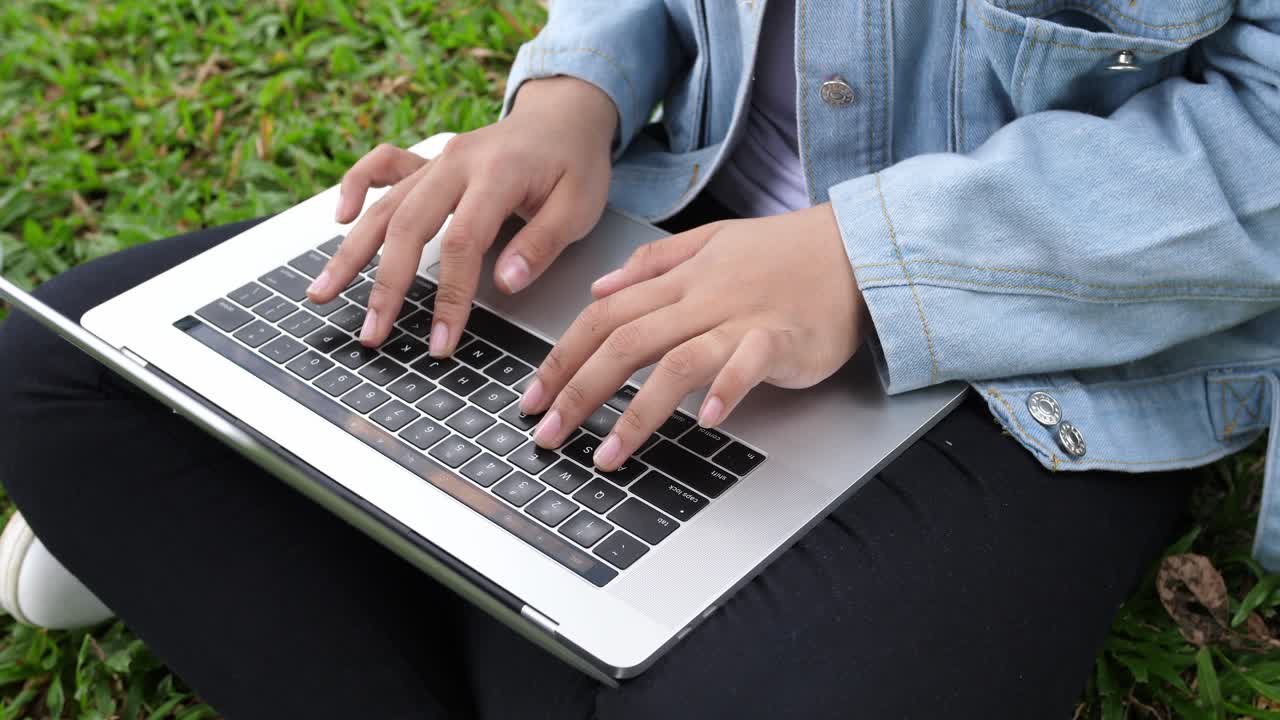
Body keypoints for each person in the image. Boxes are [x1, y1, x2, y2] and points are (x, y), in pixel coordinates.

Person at [1, 1, 1277, 717]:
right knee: (73, 378)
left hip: (1036, 347)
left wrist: (860, 261)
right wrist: (570, 101)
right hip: (668, 220)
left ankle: (287, 541)